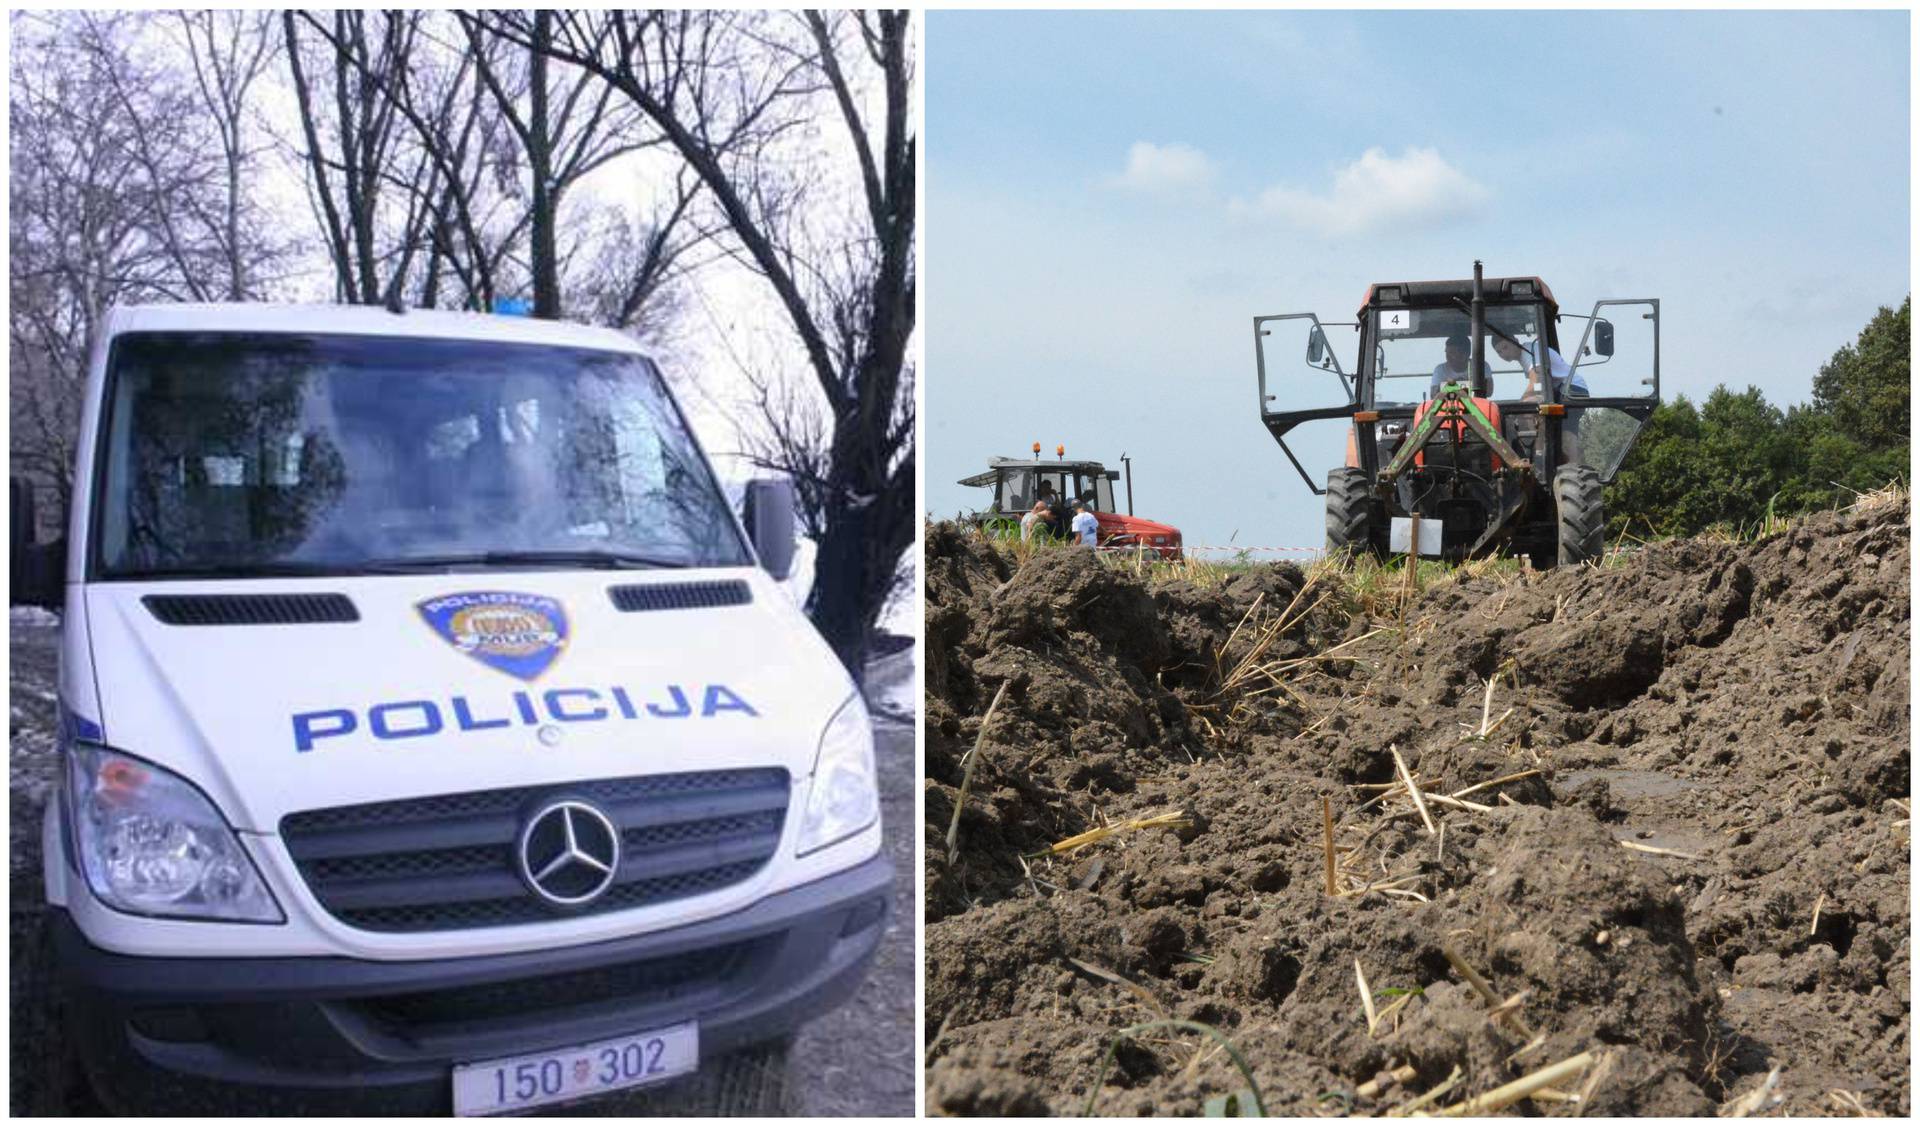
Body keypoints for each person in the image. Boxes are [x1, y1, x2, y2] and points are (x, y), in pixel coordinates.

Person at [1492, 334, 1588, 461]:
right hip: (1561, 390)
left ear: (1515, 341)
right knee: (1538, 413)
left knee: (1566, 434)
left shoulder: (1530, 351)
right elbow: (1538, 388)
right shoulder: (1525, 356)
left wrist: (1517, 407)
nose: (1503, 353)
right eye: (1499, 352)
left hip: (1571, 390)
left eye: (1505, 347)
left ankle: (1546, 458)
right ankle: (1542, 454)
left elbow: (1537, 382)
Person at [1429, 333, 1492, 398]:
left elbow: (1489, 391)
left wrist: (1453, 385)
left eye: (1452, 353)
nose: (1448, 357)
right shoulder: (1440, 369)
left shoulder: (1480, 366)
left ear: (1465, 354)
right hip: (1446, 407)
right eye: (1447, 353)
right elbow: (1433, 395)